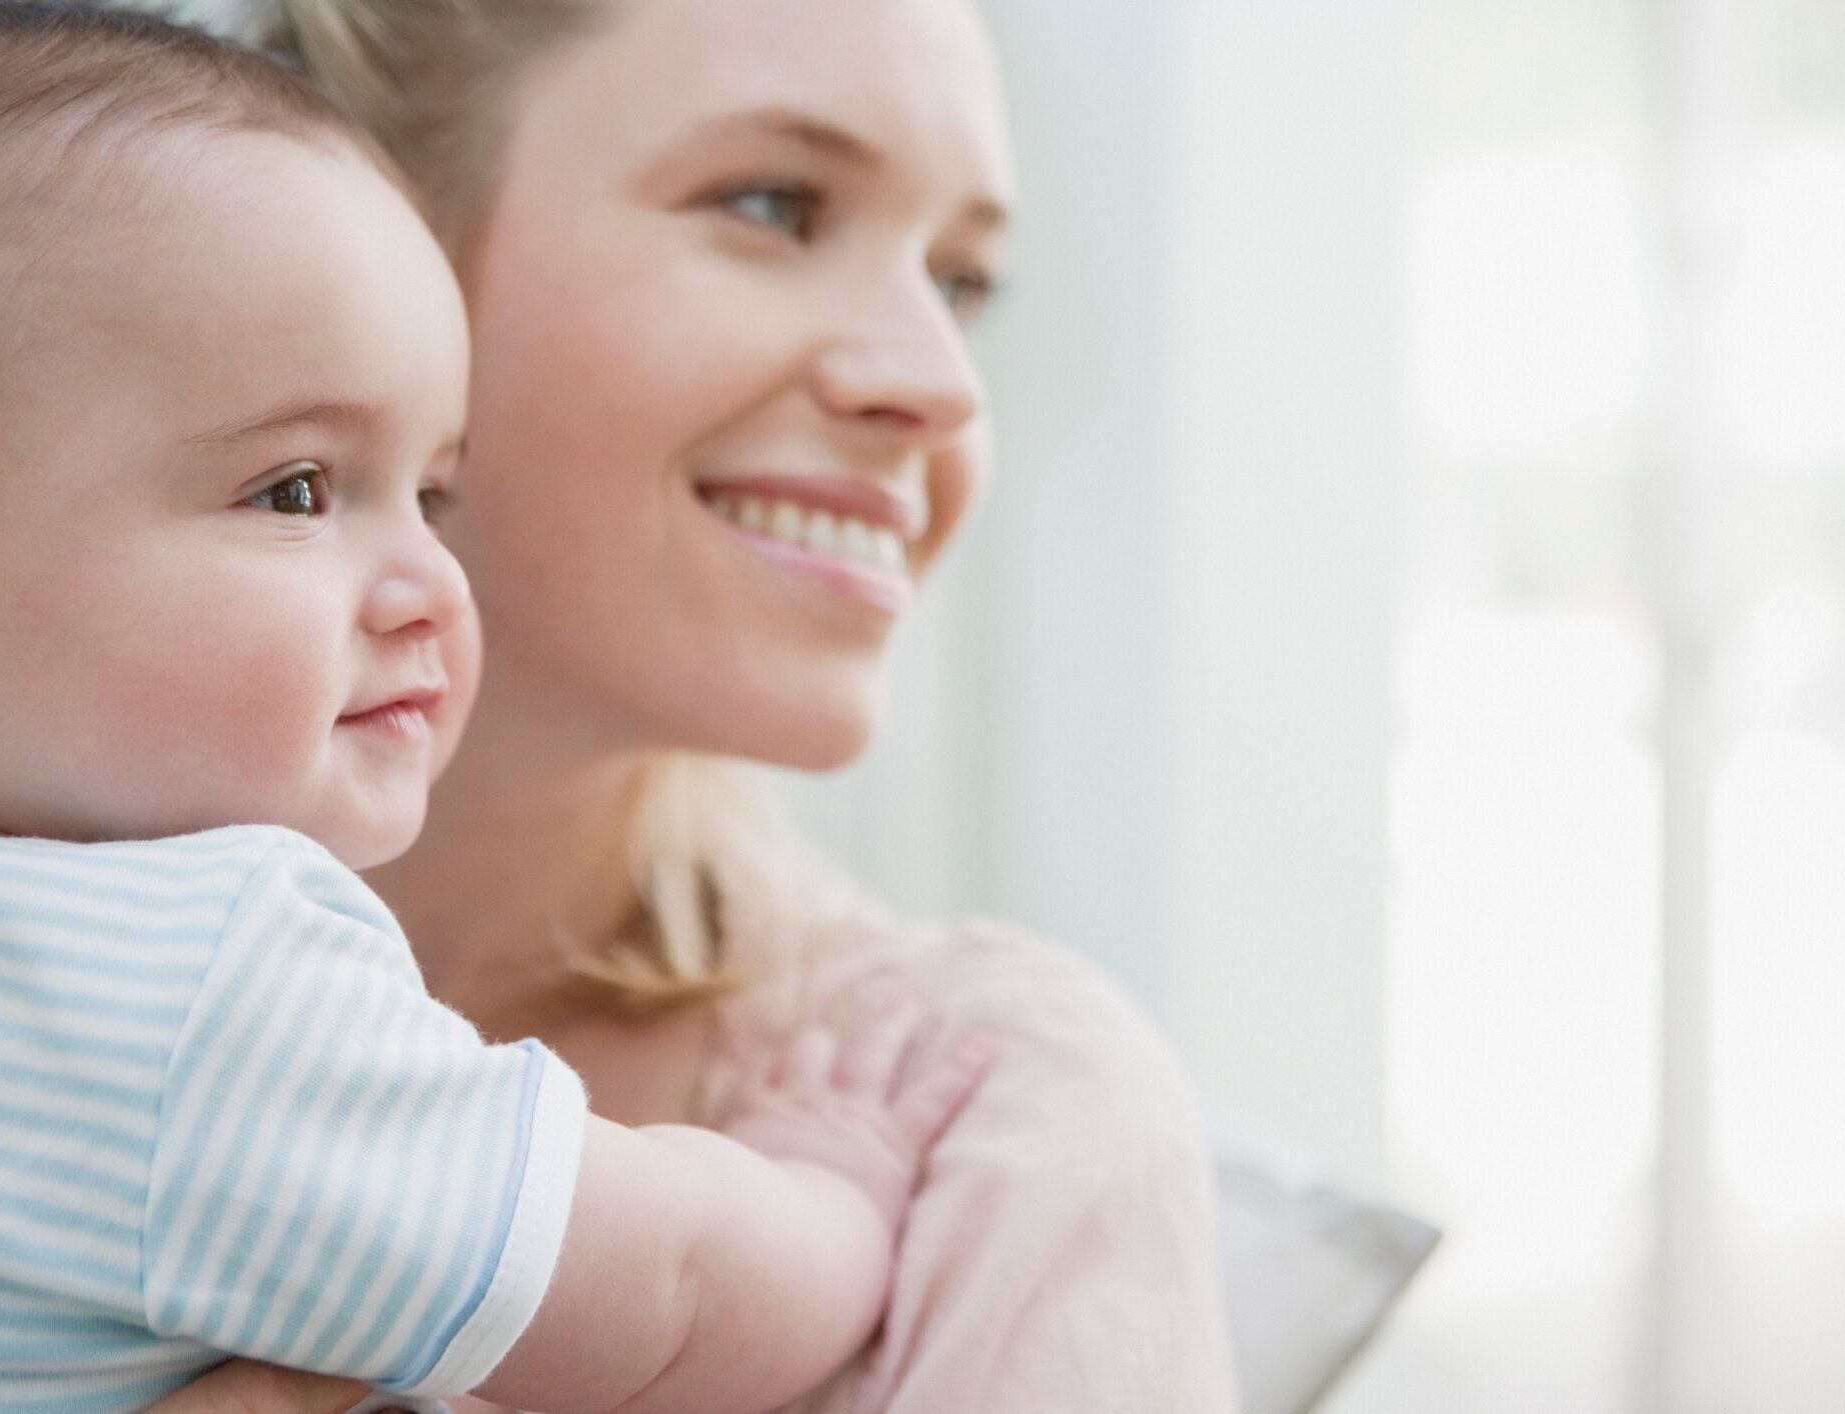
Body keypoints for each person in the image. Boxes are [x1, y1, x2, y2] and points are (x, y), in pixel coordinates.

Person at [0, 6, 992, 1411]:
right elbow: (673, 1291)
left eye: (432, 493)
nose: (429, 579)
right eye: (295, 491)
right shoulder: (213, 989)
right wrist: (836, 1183)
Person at [149, 0, 1243, 1410]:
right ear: (359, 242)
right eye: (775, 205)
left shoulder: (985, 1120)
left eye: (962, 282)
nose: (937, 384)